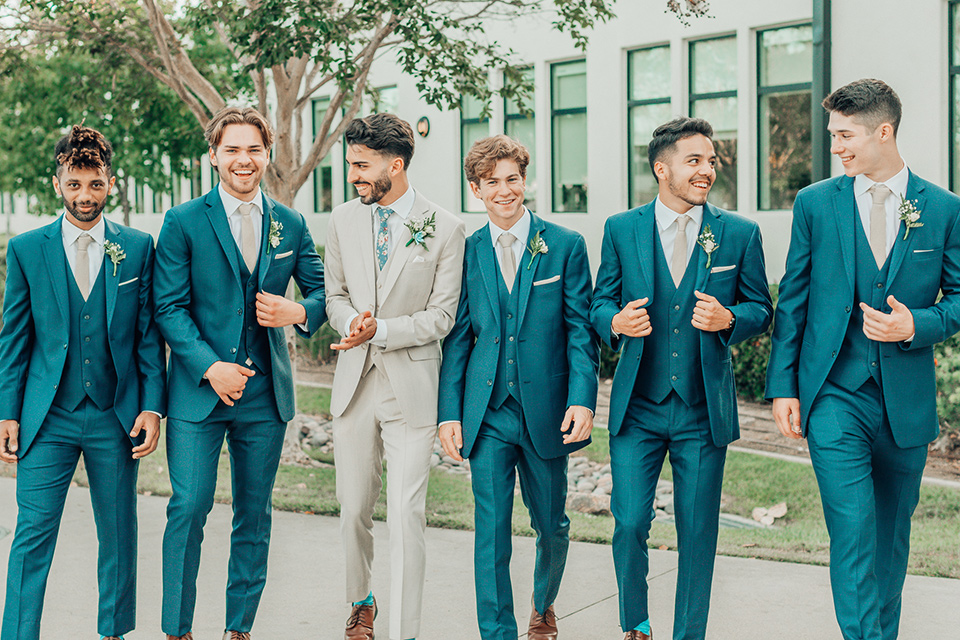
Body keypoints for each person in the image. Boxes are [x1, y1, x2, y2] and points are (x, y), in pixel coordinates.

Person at [766, 78, 960, 640]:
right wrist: (785, 387)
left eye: (845, 134)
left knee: (890, 539)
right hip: (834, 397)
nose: (837, 147)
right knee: (853, 531)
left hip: (905, 404)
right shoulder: (815, 203)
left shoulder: (943, 208)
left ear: (884, 131)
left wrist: (915, 324)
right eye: (833, 135)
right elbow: (794, 299)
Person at [591, 117, 773, 640]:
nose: (707, 170)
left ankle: (689, 633)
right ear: (661, 168)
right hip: (638, 407)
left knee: (697, 533)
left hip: (701, 410)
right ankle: (635, 625)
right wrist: (614, 322)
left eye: (712, 160)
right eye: (694, 160)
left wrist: (731, 319)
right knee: (628, 524)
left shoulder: (738, 233)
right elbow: (600, 302)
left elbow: (762, 306)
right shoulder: (622, 229)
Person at [153, 106, 326, 640]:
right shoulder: (182, 221)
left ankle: (239, 630)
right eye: (232, 149)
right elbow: (169, 307)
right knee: (188, 506)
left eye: (253, 149)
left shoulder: (291, 223)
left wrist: (297, 312)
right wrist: (210, 367)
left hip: (264, 399)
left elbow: (322, 293)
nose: (243, 159)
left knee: (254, 515)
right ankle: (177, 630)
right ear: (214, 156)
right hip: (197, 396)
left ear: (267, 154)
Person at [0, 124, 167, 640]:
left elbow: (147, 337)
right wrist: (7, 412)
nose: (84, 196)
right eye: (74, 184)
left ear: (111, 183)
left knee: (118, 534)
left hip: (114, 416)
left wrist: (152, 407)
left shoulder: (137, 248)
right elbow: (14, 338)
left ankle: (113, 633)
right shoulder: (27, 249)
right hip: (45, 418)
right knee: (32, 534)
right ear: (57, 184)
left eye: (94, 184)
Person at [437, 134, 599, 640]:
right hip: (487, 413)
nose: (504, 191)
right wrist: (449, 413)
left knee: (552, 523)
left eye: (512, 179)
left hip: (548, 410)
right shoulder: (466, 252)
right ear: (476, 190)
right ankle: (498, 631)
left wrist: (582, 398)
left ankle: (544, 603)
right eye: (492, 183)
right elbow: (459, 338)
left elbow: (580, 333)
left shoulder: (565, 246)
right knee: (490, 532)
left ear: (524, 180)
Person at [325, 112, 465, 640]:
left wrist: (380, 328)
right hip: (354, 385)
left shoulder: (447, 228)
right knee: (353, 508)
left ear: (396, 163)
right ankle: (361, 601)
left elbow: (442, 317)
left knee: (407, 516)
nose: (354, 175)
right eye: (351, 165)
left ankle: (405, 632)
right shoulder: (342, 220)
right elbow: (335, 295)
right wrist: (349, 322)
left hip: (411, 386)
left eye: (362, 166)